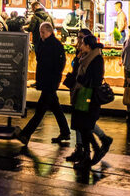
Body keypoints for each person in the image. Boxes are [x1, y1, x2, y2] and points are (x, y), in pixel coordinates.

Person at [18, 22, 71, 144]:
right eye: (40, 32)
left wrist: (54, 78)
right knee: (55, 107)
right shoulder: (44, 43)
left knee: (40, 110)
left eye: (43, 32)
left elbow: (59, 64)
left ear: (49, 31)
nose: (41, 34)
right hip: (47, 81)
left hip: (50, 82)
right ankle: (65, 132)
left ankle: (26, 134)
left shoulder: (55, 45)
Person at [68, 33, 107, 167]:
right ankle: (91, 151)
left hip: (90, 97)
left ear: (88, 46)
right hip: (82, 95)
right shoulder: (84, 57)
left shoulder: (96, 59)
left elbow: (95, 79)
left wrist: (80, 80)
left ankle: (92, 152)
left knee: (85, 126)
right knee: (82, 126)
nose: (81, 46)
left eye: (83, 44)